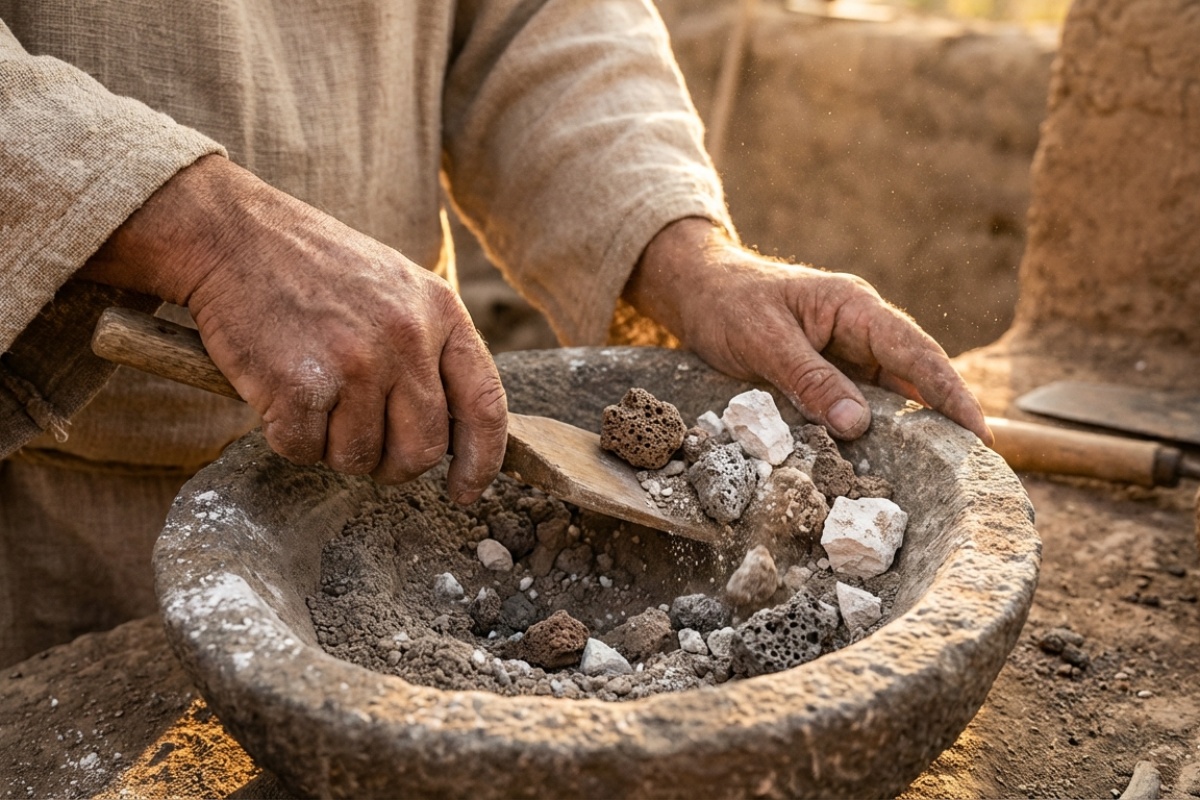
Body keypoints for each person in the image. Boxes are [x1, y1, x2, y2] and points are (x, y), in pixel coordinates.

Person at [0, 1, 991, 667]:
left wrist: (684, 254)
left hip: (396, 465)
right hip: (54, 519)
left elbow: (535, 18)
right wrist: (201, 226)